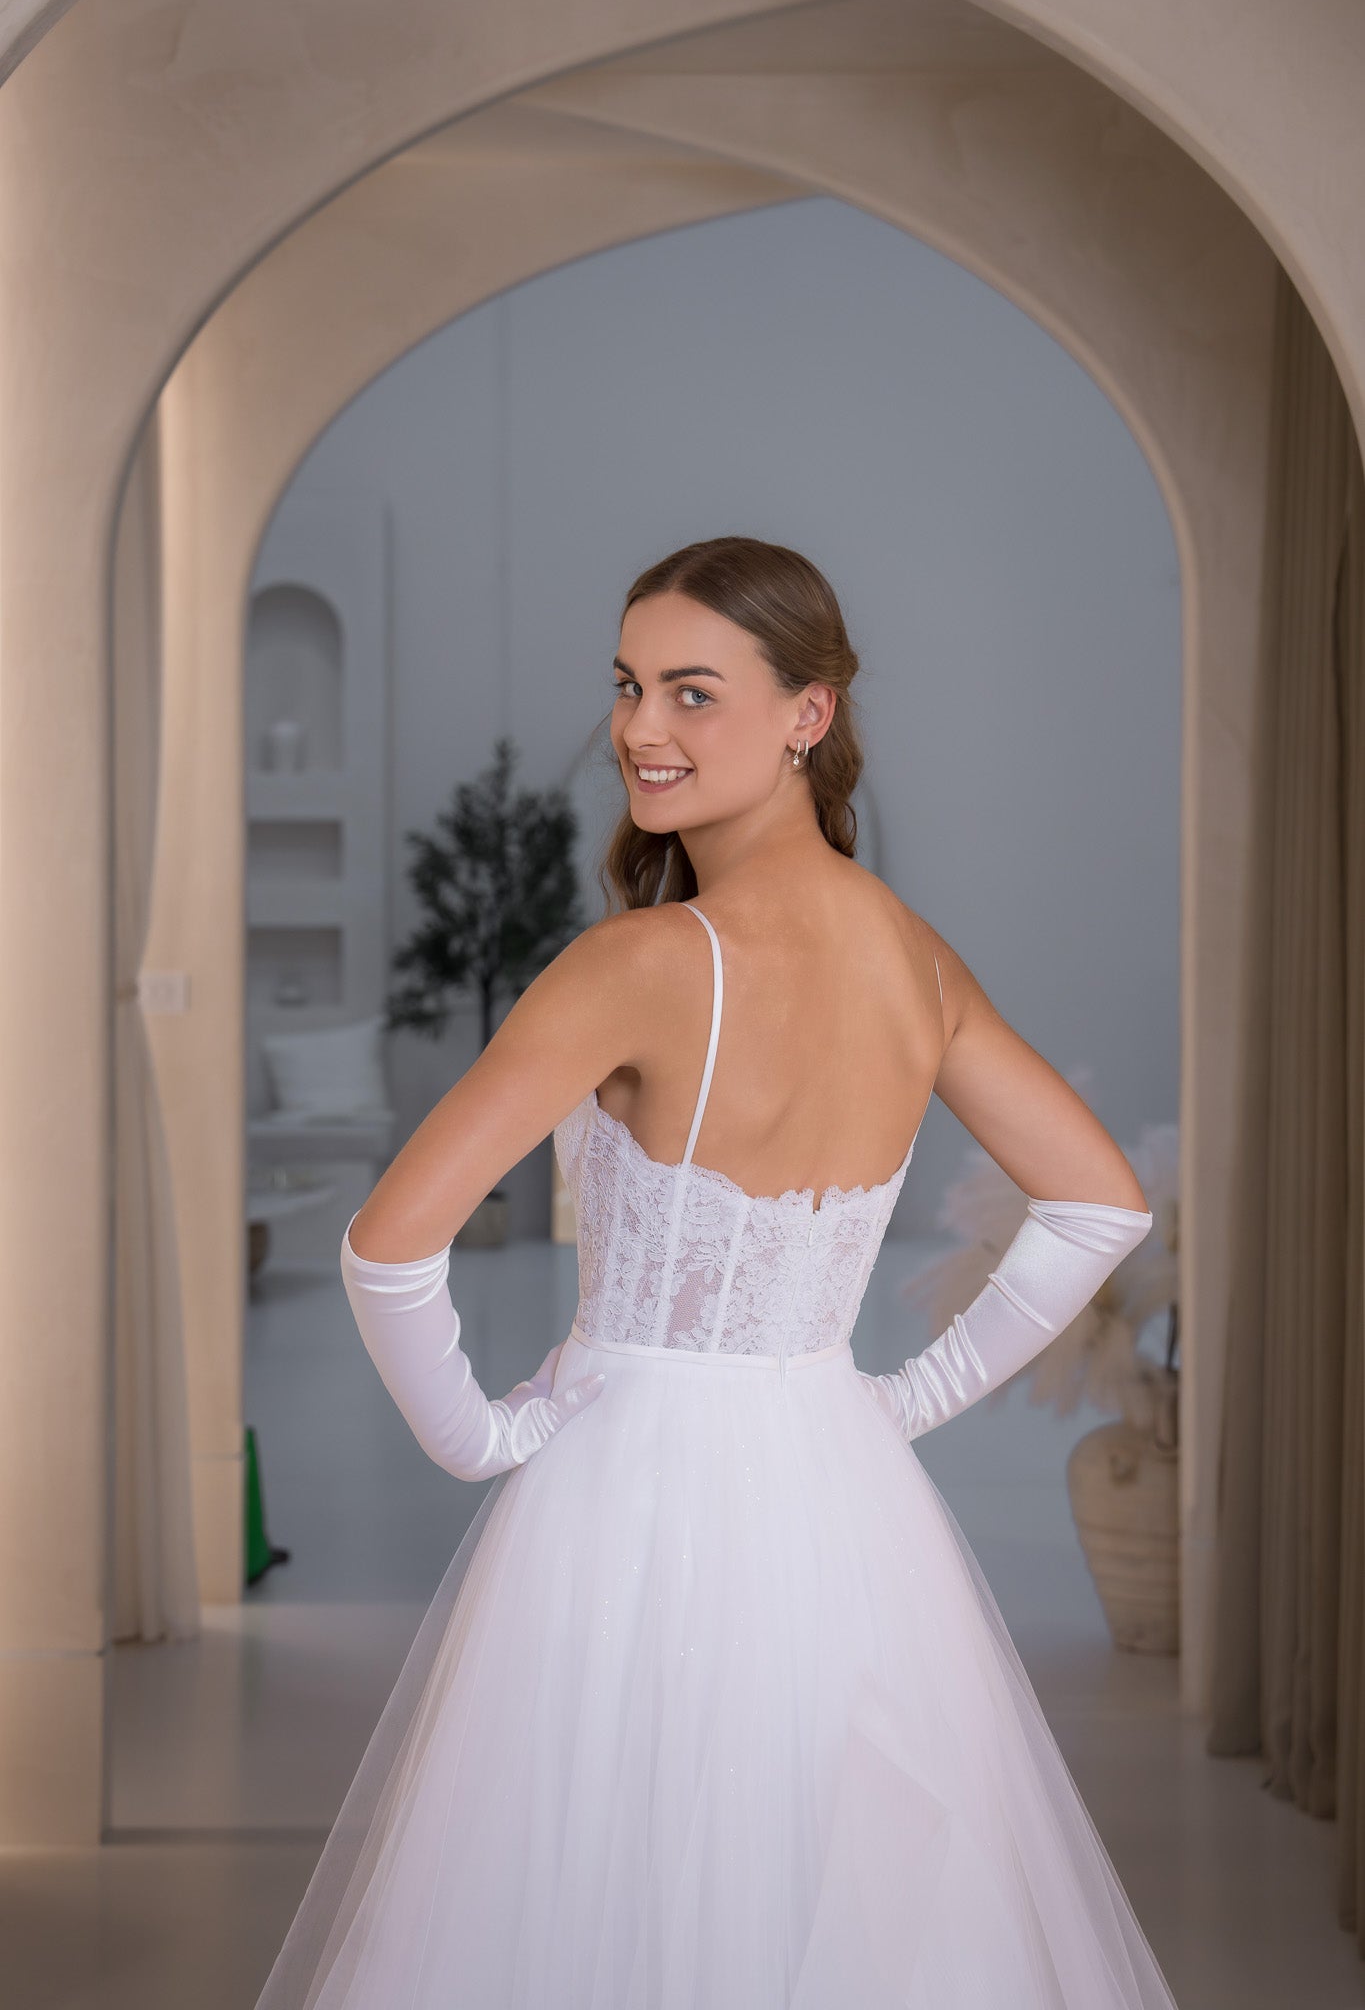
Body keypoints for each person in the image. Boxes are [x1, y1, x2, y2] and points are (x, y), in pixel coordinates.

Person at [253, 536, 1180, 2009]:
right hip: (840, 1490)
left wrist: (481, 1438)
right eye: (627, 687)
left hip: (623, 1490)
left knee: (594, 1900)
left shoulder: (630, 967)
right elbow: (1097, 1209)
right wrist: (901, 1402)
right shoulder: (914, 960)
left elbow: (386, 1244)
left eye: (692, 692)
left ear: (807, 714)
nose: (638, 728)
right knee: (828, 1901)